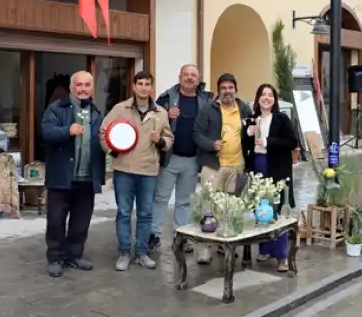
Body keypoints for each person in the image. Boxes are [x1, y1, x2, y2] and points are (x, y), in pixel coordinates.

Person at [101, 70, 174, 271]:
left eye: (147, 84)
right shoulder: (120, 109)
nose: (143, 87)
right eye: (140, 83)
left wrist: (160, 141)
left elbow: (169, 139)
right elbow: (103, 132)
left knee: (145, 213)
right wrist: (111, 150)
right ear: (134, 86)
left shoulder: (160, 112)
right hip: (124, 168)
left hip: (149, 170)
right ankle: (124, 252)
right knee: (124, 212)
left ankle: (142, 252)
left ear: (151, 87)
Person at [40, 71, 106, 278]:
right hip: (61, 177)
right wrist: (67, 131)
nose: (83, 89)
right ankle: (56, 258)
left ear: (92, 88)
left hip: (87, 179)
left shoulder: (96, 113)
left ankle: (75, 255)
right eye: (79, 85)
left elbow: (102, 141)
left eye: (87, 85)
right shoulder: (56, 108)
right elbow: (46, 132)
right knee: (56, 220)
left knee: (81, 221)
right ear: (71, 88)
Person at [149, 64, 213, 253]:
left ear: (198, 78)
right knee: (161, 198)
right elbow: (152, 122)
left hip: (193, 159)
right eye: (186, 75)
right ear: (179, 77)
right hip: (170, 157)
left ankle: (181, 236)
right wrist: (166, 116)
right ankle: (154, 235)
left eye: (193, 75)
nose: (189, 78)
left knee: (185, 200)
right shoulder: (166, 98)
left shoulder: (206, 100)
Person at [193, 72, 252, 264]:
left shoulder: (244, 109)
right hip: (213, 166)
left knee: (230, 207)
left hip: (237, 165)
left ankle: (224, 244)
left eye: (230, 87)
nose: (227, 91)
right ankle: (204, 249)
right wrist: (211, 144)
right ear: (218, 90)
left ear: (236, 89)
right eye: (224, 88)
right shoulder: (208, 109)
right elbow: (197, 134)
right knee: (209, 206)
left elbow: (250, 133)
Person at [242, 83, 298, 272]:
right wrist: (247, 134)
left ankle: (282, 256)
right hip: (257, 164)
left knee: (277, 207)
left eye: (270, 95)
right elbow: (246, 145)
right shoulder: (252, 119)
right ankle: (264, 247)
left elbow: (292, 141)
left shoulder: (281, 119)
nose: (266, 98)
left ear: (274, 99)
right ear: (257, 99)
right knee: (261, 207)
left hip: (277, 167)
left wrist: (268, 142)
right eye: (263, 95)